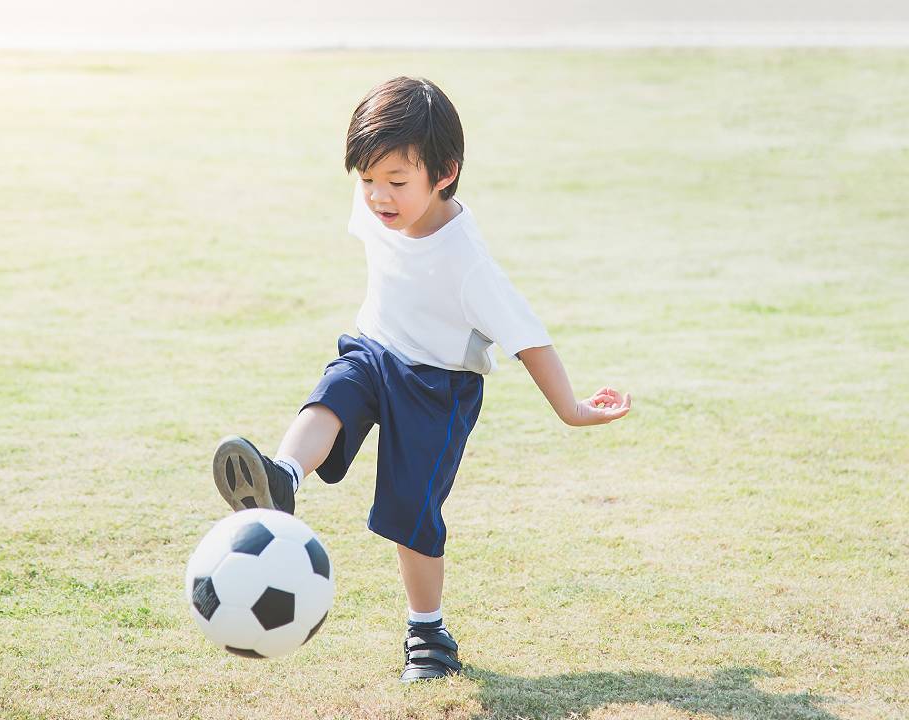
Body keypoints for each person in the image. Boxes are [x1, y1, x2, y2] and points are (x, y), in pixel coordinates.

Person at [212, 76, 631, 682]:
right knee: (335, 391)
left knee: (410, 512)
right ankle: (283, 477)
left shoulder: (467, 264)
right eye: (367, 180)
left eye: (396, 182)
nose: (378, 197)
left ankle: (427, 631)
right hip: (377, 350)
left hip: (438, 387)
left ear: (445, 173)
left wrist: (571, 408)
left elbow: (528, 337)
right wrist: (378, 190)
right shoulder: (375, 207)